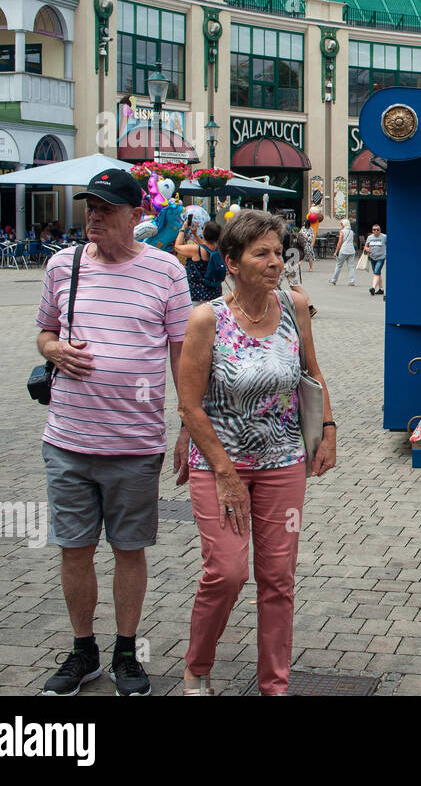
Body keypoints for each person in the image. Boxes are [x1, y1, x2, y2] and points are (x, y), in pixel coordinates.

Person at [35, 169, 192, 696]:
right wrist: (53, 350)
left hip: (134, 444)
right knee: (74, 548)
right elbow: (44, 332)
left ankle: (127, 652)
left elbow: (181, 356)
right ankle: (84, 652)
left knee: (129, 548)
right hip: (68, 440)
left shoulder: (167, 271)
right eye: (89, 207)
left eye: (105, 208)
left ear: (136, 216)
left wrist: (189, 426)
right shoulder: (64, 265)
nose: (94, 216)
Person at [177, 210, 337, 696]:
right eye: (261, 254)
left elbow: (311, 372)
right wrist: (223, 470)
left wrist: (327, 429)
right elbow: (188, 404)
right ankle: (197, 665)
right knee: (226, 572)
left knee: (277, 578)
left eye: (277, 252)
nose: (274, 262)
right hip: (219, 463)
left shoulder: (294, 306)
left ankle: (275, 684)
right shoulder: (207, 319)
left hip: (283, 461)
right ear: (231, 261)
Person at [175, 219, 225, 304]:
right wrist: (195, 234)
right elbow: (206, 246)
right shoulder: (219, 250)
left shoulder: (196, 250)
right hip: (215, 294)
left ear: (204, 233)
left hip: (197, 296)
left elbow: (177, 247)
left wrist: (183, 228)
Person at [329, 219, 357, 286]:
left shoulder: (342, 231)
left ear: (344, 224)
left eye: (341, 224)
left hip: (344, 250)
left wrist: (336, 251)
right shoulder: (351, 232)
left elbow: (339, 242)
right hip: (351, 250)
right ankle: (352, 281)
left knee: (339, 266)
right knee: (351, 267)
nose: (341, 225)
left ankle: (333, 280)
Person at [365, 223, 387, 296]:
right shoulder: (370, 237)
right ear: (372, 230)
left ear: (380, 230)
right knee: (377, 273)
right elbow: (365, 246)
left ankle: (373, 288)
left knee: (376, 272)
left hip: (381, 258)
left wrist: (387, 256)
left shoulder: (384, 237)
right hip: (372, 258)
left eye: (377, 230)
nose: (376, 231)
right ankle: (381, 289)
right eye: (374, 230)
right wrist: (367, 249)